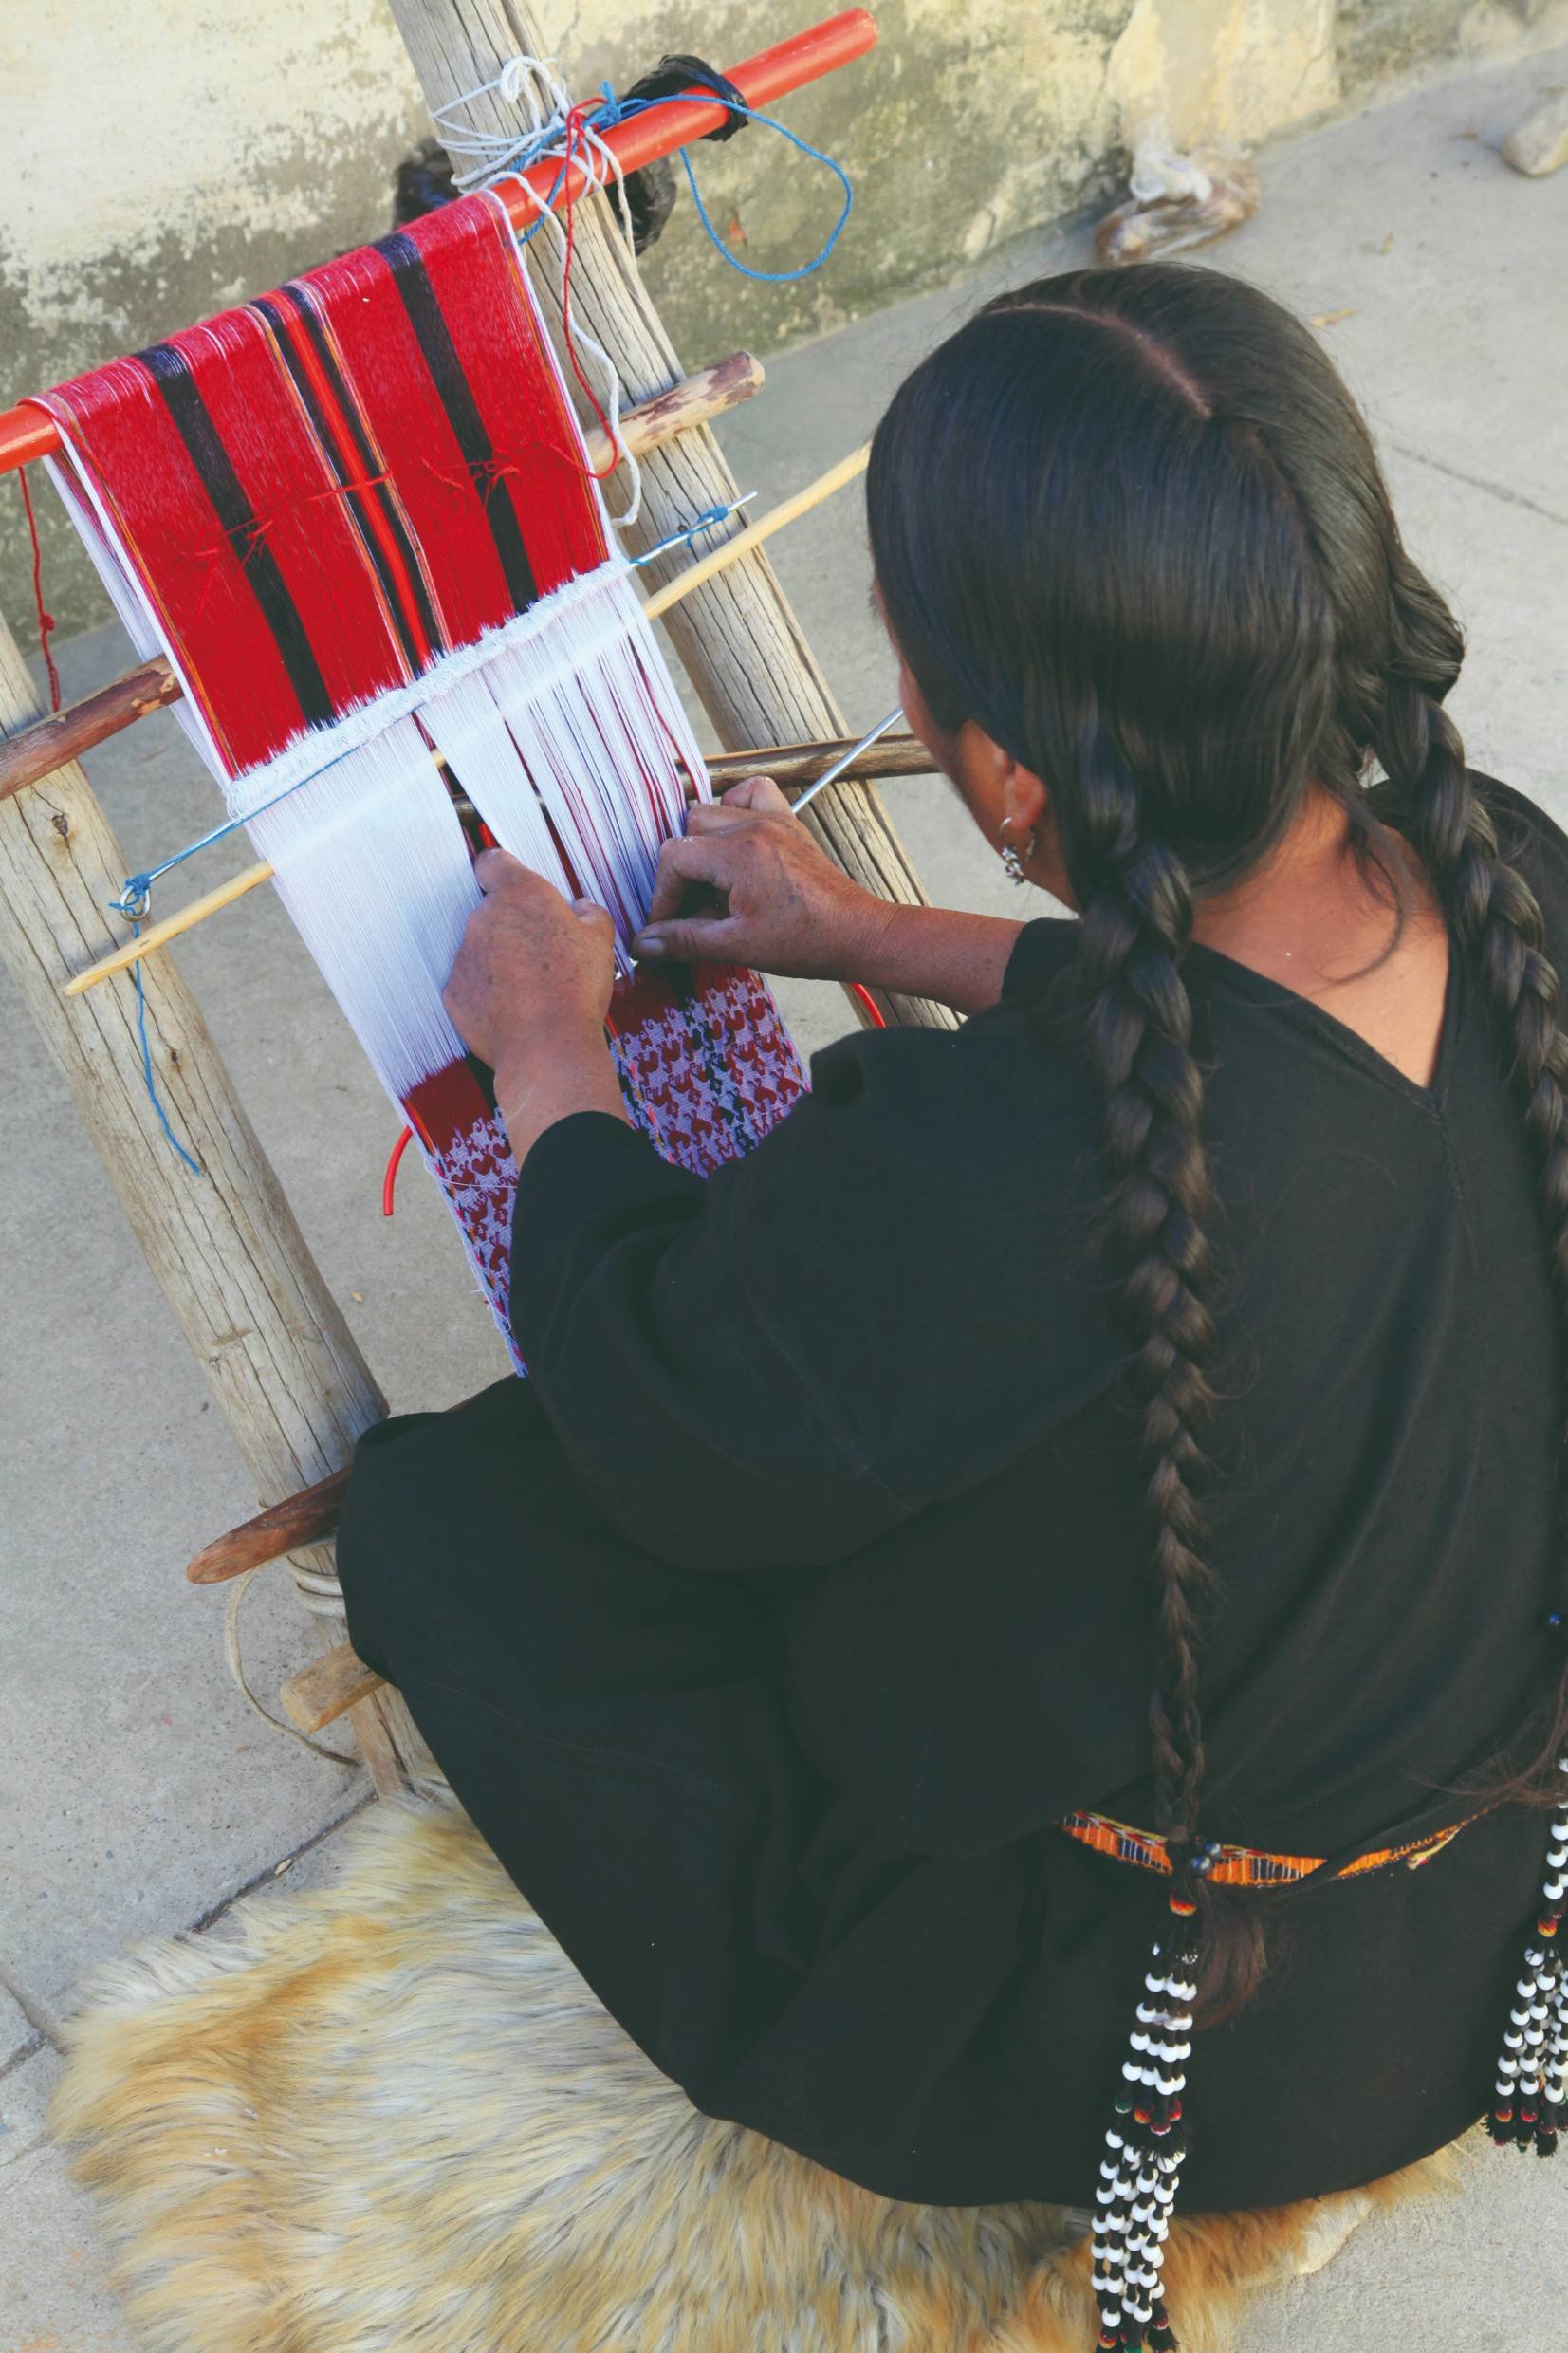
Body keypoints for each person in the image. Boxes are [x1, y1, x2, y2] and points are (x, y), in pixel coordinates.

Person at [335, 264, 1568, 2345]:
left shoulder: (1005, 1168)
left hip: (1158, 2032)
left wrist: (550, 1055)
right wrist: (854, 925)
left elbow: (661, 1417)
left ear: (1004, 773)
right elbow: (1195, 1019)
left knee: (459, 1521)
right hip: (1475, 1914)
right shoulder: (1502, 874)